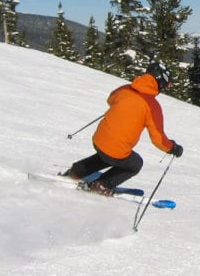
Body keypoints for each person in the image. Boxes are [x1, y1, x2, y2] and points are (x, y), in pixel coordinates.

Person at [62, 61, 183, 196]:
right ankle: (101, 185)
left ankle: (76, 172)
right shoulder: (151, 106)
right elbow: (158, 139)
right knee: (135, 163)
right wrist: (173, 148)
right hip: (115, 149)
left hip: (98, 139)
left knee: (107, 154)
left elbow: (111, 99)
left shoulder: (126, 89)